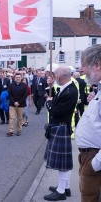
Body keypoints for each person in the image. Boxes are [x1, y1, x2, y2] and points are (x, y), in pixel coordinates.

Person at [43, 66, 78, 201]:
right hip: (59, 127)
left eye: (55, 75)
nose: (54, 77)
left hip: (61, 127)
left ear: (59, 77)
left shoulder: (70, 91)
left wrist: (49, 104)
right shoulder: (66, 88)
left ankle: (61, 191)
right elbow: (55, 98)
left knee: (62, 164)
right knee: (64, 162)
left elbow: (56, 110)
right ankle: (65, 187)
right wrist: (49, 87)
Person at [75, 44, 101, 202]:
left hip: (95, 159)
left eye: (84, 64)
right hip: (90, 156)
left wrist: (94, 165)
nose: (81, 68)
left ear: (97, 65)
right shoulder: (98, 89)